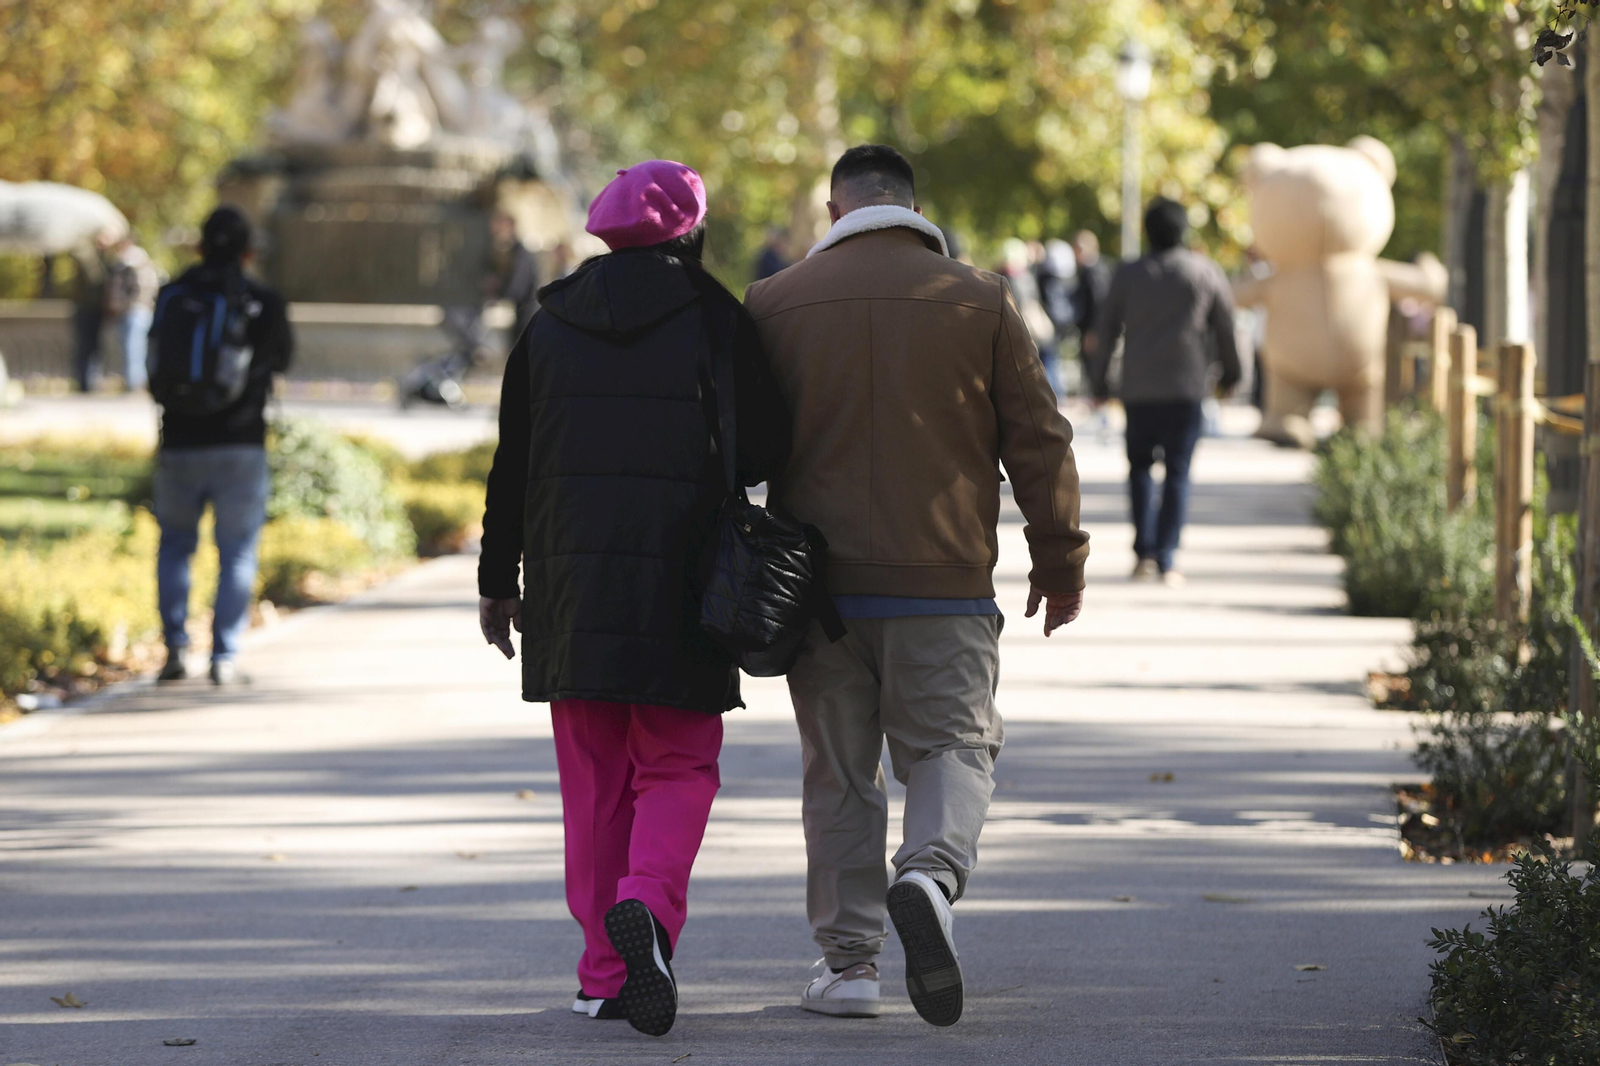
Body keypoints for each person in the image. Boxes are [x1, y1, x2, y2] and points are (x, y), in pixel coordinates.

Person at [744, 144, 1088, 1028]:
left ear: (835, 212)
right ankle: (931, 876)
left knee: (839, 777)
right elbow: (1041, 441)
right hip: (944, 579)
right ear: (914, 209)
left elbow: (736, 448)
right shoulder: (980, 299)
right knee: (953, 748)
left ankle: (850, 966)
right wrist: (1058, 562)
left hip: (816, 592)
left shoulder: (773, 303)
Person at [477, 161, 790, 1038]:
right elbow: (764, 449)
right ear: (692, 231)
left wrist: (498, 582)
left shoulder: (548, 322)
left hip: (570, 589)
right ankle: (646, 905)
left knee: (593, 786)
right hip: (681, 584)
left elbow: (512, 465)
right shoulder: (716, 317)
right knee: (678, 764)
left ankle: (603, 975)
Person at [152, 206, 293, 685]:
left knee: (175, 546)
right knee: (236, 552)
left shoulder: (173, 293)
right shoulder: (263, 299)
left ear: (199, 246)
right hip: (241, 443)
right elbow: (282, 359)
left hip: (177, 440)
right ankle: (224, 656)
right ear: (248, 253)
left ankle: (175, 648)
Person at [1090, 197, 1241, 586]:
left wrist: (1099, 382)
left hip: (1138, 388)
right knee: (1178, 471)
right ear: (1183, 231)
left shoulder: (1128, 274)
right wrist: (1231, 375)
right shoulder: (1204, 272)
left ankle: (1144, 554)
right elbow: (1226, 327)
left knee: (1139, 468)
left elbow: (1106, 331)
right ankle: (1167, 556)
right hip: (1186, 387)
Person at [105, 235, 161, 392]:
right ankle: (133, 382)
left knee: (134, 348)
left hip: (135, 311)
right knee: (130, 348)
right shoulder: (127, 264)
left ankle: (135, 383)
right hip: (132, 311)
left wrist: (121, 305)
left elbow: (138, 290)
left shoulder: (134, 264)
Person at [486, 211, 540, 343]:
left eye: (500, 228)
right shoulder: (511, 251)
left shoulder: (521, 254)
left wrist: (498, 296)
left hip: (528, 314)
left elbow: (517, 287)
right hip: (521, 312)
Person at [70, 233, 114, 393]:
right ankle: (85, 382)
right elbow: (93, 281)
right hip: (86, 309)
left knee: (96, 347)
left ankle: (92, 380)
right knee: (85, 347)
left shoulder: (108, 259)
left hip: (98, 310)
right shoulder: (87, 258)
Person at [1069, 229, 1111, 371]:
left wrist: (1093, 332)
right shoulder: (1101, 268)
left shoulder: (1093, 272)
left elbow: (1098, 302)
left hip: (1094, 332)